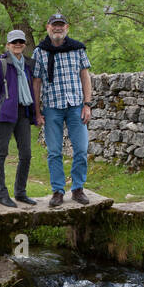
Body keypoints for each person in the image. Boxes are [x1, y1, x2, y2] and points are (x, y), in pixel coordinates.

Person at [32, 13, 92, 207]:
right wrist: (37, 110)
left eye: (61, 25)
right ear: (47, 28)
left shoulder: (78, 49)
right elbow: (36, 82)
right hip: (52, 107)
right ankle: (58, 191)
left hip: (75, 106)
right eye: (53, 25)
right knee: (54, 152)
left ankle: (77, 188)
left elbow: (85, 76)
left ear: (67, 27)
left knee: (81, 149)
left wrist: (87, 104)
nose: (57, 28)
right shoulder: (40, 52)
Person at [0, 30, 38, 207]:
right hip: (5, 115)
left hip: (23, 114)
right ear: (8, 45)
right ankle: (2, 195)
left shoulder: (28, 65)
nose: (18, 44)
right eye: (14, 42)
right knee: (1, 154)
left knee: (26, 154)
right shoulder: (1, 64)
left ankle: (20, 193)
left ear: (24, 44)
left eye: (21, 42)